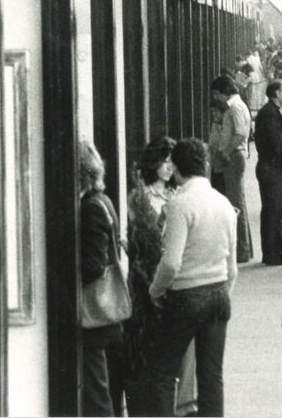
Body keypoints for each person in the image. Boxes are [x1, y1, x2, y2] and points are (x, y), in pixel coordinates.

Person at [148, 138, 238, 417]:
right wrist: (222, 291)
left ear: (176, 168)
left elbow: (172, 262)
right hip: (219, 292)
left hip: (187, 294)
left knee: (163, 371)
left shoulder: (180, 203)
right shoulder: (224, 203)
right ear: (206, 164)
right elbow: (232, 266)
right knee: (211, 375)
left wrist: (156, 290)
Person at [124, 136, 198, 417]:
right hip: (148, 279)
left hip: (173, 276)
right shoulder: (139, 197)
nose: (168, 167)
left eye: (172, 162)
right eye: (164, 160)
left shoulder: (176, 195)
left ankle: (184, 404)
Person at [79, 141, 124, 417]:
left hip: (95, 311)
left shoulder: (90, 206)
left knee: (97, 394)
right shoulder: (103, 201)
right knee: (105, 389)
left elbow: (95, 264)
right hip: (109, 312)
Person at [210, 75, 253, 262]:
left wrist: (226, 151)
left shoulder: (234, 107)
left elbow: (241, 133)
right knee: (236, 201)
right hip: (234, 156)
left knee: (236, 203)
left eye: (216, 94)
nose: (216, 98)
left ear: (224, 91)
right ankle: (242, 248)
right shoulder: (236, 105)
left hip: (234, 157)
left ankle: (241, 250)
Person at [254, 79, 282, 265]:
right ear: (276, 94)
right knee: (274, 210)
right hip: (271, 167)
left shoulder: (268, 111)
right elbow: (276, 140)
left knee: (271, 210)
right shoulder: (271, 113)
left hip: (267, 165)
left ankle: (272, 251)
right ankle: (274, 253)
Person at [208, 98, 229, 195]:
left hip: (225, 165)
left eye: (216, 111)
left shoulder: (228, 125)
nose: (214, 114)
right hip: (216, 164)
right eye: (212, 112)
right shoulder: (215, 124)